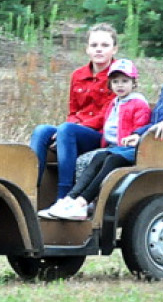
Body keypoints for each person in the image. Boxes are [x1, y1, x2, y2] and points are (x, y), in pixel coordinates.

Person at [45, 29, 163, 221]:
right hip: (150, 140)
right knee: (101, 156)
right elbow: (154, 121)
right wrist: (137, 133)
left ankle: (82, 203)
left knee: (112, 159)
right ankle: (70, 199)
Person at [38, 57, 150, 218]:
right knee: (97, 157)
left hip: (128, 148)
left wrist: (134, 136)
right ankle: (69, 199)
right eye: (116, 81)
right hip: (112, 147)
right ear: (110, 84)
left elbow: (140, 127)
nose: (120, 85)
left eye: (125, 81)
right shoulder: (114, 103)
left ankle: (82, 203)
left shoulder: (138, 103)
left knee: (108, 159)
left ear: (134, 83)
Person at [30, 23, 118, 203]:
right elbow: (74, 110)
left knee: (66, 129)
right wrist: (66, 129)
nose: (99, 50)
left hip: (100, 134)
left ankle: (65, 195)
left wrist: (71, 128)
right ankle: (32, 188)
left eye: (105, 45)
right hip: (75, 129)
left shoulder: (118, 76)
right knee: (41, 131)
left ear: (114, 49)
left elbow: (109, 115)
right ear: (87, 49)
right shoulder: (78, 75)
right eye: (94, 45)